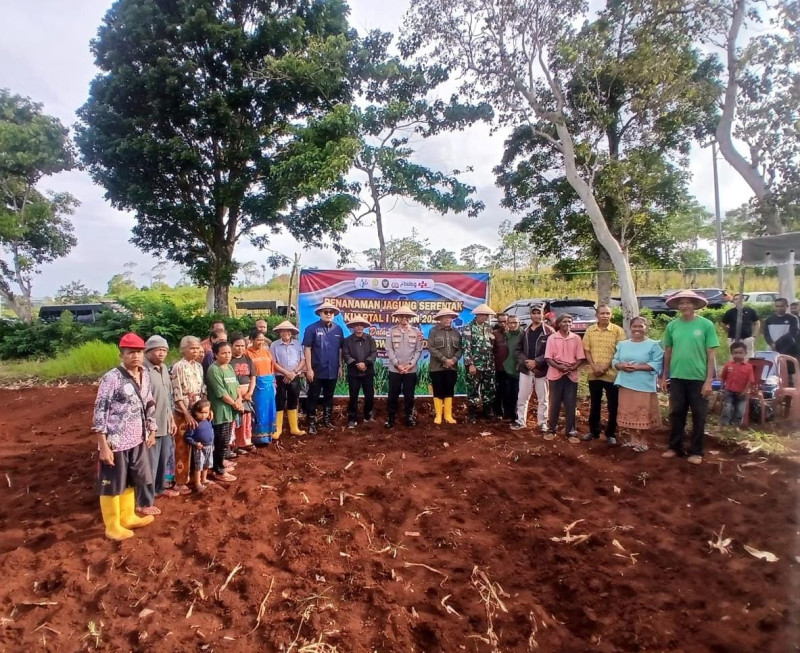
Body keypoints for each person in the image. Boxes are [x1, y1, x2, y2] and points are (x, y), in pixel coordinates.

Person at [92, 333, 157, 540]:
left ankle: (128, 516)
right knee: (112, 483)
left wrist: (151, 428)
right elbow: (100, 411)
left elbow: (148, 401)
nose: (136, 356)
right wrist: (103, 445)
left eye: (139, 352)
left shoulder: (144, 373)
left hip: (137, 437)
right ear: (122, 354)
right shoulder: (111, 378)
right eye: (131, 353)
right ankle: (112, 526)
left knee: (132, 478)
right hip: (116, 441)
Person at [660, 289, 719, 465]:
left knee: (699, 414)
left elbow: (710, 354)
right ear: (678, 306)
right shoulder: (672, 326)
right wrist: (664, 376)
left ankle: (696, 451)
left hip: (698, 378)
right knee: (677, 412)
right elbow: (668, 353)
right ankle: (674, 447)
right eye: (681, 302)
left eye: (688, 302)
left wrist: (709, 380)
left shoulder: (706, 325)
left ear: (694, 305)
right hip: (677, 377)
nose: (684, 305)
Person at [136, 335, 178, 516]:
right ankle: (144, 501)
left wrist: (171, 419)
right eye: (157, 350)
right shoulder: (142, 370)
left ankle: (160, 488)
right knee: (149, 465)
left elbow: (167, 399)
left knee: (163, 459)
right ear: (148, 351)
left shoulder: (162, 369)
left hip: (165, 423)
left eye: (164, 350)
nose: (161, 353)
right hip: (150, 427)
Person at [612, 316, 663, 452]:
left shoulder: (653, 344)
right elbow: (614, 360)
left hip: (644, 384)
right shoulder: (623, 344)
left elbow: (657, 363)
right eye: (635, 326)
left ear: (646, 328)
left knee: (643, 412)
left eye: (641, 326)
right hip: (626, 383)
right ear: (630, 328)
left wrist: (637, 367)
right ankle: (633, 439)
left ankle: (644, 441)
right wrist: (621, 366)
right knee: (629, 411)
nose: (637, 329)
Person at [582, 305, 626, 445]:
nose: (605, 316)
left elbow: (619, 352)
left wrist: (606, 367)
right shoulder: (590, 330)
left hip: (612, 374)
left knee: (613, 405)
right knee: (595, 403)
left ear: (611, 315)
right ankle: (593, 431)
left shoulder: (618, 331)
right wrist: (594, 367)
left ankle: (611, 433)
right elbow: (586, 350)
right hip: (594, 373)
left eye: (608, 313)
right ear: (597, 315)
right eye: (602, 313)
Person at [170, 336, 206, 495]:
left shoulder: (199, 366)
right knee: (182, 447)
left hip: (198, 411)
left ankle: (195, 477)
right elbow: (177, 393)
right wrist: (187, 414)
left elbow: (202, 389)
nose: (196, 351)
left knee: (198, 445)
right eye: (192, 348)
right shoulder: (178, 367)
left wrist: (206, 408)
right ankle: (180, 481)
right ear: (182, 349)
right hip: (182, 413)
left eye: (198, 348)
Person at [303, 301, 344, 434]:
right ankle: (311, 423)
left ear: (334, 315)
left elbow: (340, 350)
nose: (328, 314)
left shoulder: (338, 329)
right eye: (325, 312)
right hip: (316, 370)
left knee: (329, 396)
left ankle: (326, 421)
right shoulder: (311, 329)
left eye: (331, 312)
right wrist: (309, 369)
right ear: (320, 313)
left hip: (332, 370)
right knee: (313, 396)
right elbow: (307, 349)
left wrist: (340, 366)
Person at [512, 304, 554, 432]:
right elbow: (517, 350)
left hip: (542, 370)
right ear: (530, 315)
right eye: (533, 313)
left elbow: (551, 352)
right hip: (525, 370)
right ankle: (520, 421)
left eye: (538, 313)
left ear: (543, 314)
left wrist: (536, 362)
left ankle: (542, 423)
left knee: (543, 398)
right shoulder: (524, 331)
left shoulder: (549, 331)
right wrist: (527, 362)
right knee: (522, 397)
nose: (536, 315)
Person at [544, 314, 586, 442]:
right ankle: (551, 429)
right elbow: (548, 358)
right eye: (564, 321)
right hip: (555, 375)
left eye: (569, 321)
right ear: (559, 323)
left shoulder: (576, 338)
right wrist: (559, 367)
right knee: (554, 403)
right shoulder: (552, 338)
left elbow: (580, 358)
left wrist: (573, 368)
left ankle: (571, 431)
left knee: (570, 403)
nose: (567, 324)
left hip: (571, 376)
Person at [205, 340, 240, 481]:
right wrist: (235, 404)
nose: (227, 355)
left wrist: (239, 399)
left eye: (229, 353)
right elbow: (221, 393)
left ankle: (219, 464)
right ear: (215, 354)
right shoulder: (214, 370)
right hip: (221, 410)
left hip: (231, 409)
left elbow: (236, 386)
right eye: (223, 353)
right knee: (220, 440)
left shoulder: (229, 367)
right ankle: (218, 470)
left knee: (225, 440)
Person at [386, 306, 424, 428]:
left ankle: (409, 417)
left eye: (407, 316)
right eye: (401, 316)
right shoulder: (391, 332)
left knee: (409, 395)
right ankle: (391, 419)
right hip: (394, 369)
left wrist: (410, 365)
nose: (404, 318)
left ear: (410, 318)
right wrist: (397, 364)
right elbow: (389, 349)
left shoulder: (417, 332)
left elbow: (418, 350)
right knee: (392, 395)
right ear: (397, 318)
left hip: (410, 370)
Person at [270, 321, 307, 438]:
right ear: (279, 333)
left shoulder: (298, 344)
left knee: (293, 400)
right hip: (280, 377)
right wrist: (286, 373)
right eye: (283, 331)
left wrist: (293, 373)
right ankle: (277, 429)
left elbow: (303, 360)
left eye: (288, 331)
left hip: (295, 376)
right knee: (279, 401)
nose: (285, 333)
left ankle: (294, 428)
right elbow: (273, 362)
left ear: (291, 333)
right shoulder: (274, 345)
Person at [463, 303, 497, 423]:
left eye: (487, 315)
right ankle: (472, 413)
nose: (485, 317)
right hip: (475, 365)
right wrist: (470, 364)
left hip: (488, 364)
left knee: (489, 388)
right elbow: (466, 347)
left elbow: (491, 345)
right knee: (473, 389)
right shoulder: (469, 328)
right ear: (477, 315)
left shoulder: (488, 327)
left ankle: (487, 411)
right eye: (483, 315)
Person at [428, 308, 463, 425]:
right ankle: (438, 415)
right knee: (438, 390)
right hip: (437, 367)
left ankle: (448, 415)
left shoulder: (457, 332)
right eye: (445, 317)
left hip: (452, 367)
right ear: (440, 319)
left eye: (450, 318)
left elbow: (460, 349)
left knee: (449, 390)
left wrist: (453, 360)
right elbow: (431, 348)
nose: (448, 320)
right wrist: (444, 360)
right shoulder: (433, 331)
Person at [342, 315, 378, 428]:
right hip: (354, 373)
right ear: (352, 327)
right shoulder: (347, 340)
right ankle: (352, 419)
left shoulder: (370, 339)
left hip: (368, 372)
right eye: (356, 325)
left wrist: (365, 363)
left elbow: (374, 353)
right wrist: (356, 363)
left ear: (364, 327)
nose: (359, 327)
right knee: (353, 396)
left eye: (361, 325)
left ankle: (368, 416)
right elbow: (346, 355)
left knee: (369, 395)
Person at [247, 329, 277, 445]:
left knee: (270, 410)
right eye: (258, 340)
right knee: (259, 411)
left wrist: (274, 383)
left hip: (269, 385)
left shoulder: (267, 352)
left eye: (263, 340)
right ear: (252, 340)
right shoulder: (247, 353)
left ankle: (268, 435)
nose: (261, 342)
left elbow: (271, 368)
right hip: (257, 386)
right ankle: (257, 438)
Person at [230, 333, 256, 452]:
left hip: (247, 395)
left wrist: (250, 392)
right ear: (231, 346)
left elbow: (253, 377)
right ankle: (232, 445)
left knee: (246, 420)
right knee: (234, 421)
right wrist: (238, 397)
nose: (240, 348)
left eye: (242, 346)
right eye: (237, 345)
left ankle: (244, 443)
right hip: (234, 396)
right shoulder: (228, 360)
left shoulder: (247, 358)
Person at [720, 342, 756, 427]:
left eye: (740, 353)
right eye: (735, 353)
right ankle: (724, 424)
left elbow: (750, 380)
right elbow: (723, 377)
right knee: (727, 408)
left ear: (745, 353)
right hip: (729, 391)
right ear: (732, 353)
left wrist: (745, 391)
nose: (738, 355)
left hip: (742, 392)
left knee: (740, 410)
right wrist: (722, 387)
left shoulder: (748, 367)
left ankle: (736, 426)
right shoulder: (728, 365)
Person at [184, 400, 215, 492]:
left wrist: (212, 444)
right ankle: (197, 483)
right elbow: (188, 436)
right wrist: (195, 443)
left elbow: (211, 433)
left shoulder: (208, 421)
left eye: (206, 412)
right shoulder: (194, 424)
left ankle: (204, 479)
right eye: (201, 413)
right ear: (195, 412)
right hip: (199, 448)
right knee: (198, 466)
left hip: (209, 446)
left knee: (206, 464)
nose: (204, 415)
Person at [721, 294, 760, 359]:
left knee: (748, 358)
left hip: (747, 339)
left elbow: (757, 323)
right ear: (733, 301)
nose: (738, 301)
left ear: (743, 300)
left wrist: (754, 336)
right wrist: (730, 330)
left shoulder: (750, 311)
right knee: (734, 358)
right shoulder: (730, 312)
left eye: (739, 299)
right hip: (733, 339)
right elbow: (723, 324)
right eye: (736, 299)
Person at [500, 315, 522, 423]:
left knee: (517, 394)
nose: (513, 325)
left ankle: (516, 416)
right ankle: (507, 414)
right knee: (507, 393)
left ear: (519, 323)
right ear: (507, 324)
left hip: (519, 369)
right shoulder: (506, 335)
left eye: (515, 323)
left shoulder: (523, 335)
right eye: (511, 323)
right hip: (507, 368)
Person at [492, 313, 512, 420]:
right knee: (498, 390)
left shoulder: (514, 334)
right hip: (498, 368)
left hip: (511, 368)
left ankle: (509, 413)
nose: (503, 324)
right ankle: (497, 412)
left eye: (505, 321)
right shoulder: (494, 334)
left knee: (510, 391)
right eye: (500, 321)